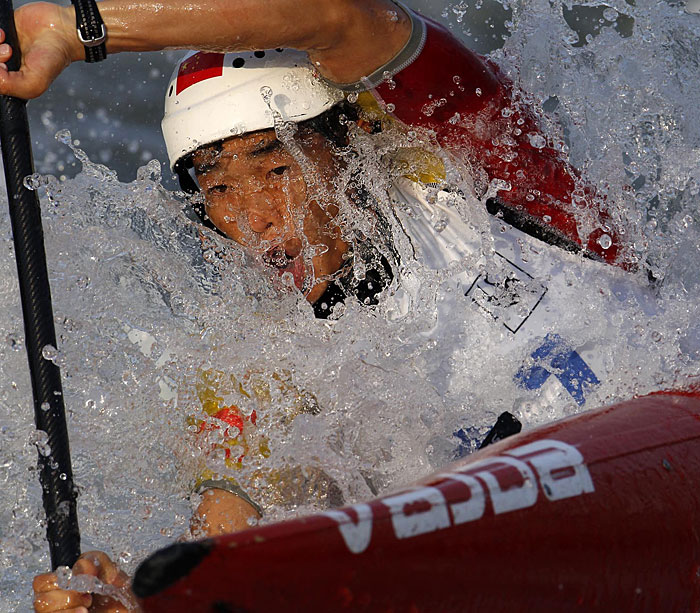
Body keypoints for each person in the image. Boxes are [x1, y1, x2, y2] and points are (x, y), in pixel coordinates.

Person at [11, 1, 634, 610]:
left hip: (661, 461)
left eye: (276, 169)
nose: (252, 219)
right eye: (217, 186)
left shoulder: (490, 168)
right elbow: (234, 523)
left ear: (353, 140)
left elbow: (341, 16)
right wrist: (144, 602)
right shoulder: (265, 359)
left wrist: (77, 28)